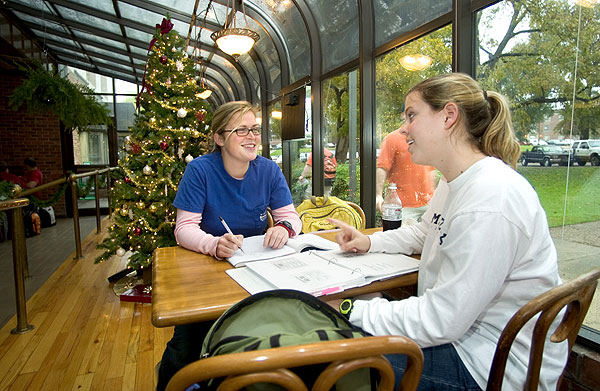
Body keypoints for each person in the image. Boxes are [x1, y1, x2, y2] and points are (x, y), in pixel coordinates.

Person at [325, 73, 567, 391]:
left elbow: (442, 319)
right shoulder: (455, 181)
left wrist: (346, 308)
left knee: (332, 358)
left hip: (489, 366)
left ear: (449, 116)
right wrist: (368, 241)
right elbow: (424, 233)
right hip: (466, 338)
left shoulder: (490, 199)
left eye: (412, 115)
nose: (403, 128)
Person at [157, 101, 302, 391]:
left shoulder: (269, 171)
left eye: (255, 130)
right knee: (186, 346)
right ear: (219, 138)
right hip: (205, 272)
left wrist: (284, 229)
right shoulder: (200, 170)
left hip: (253, 269)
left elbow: (290, 217)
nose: (252, 137)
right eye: (241, 131)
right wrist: (214, 244)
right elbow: (183, 228)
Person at [376, 122, 435, 223]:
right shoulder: (392, 138)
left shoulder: (426, 140)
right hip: (402, 205)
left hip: (428, 204)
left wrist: (434, 196)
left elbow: (431, 170)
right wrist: (378, 195)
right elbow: (382, 167)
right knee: (400, 236)